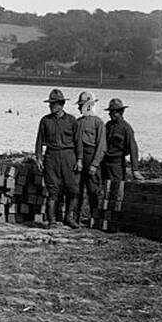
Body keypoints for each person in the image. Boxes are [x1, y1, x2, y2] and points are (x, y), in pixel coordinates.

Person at [35, 88, 79, 229]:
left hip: (69, 157)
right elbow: (39, 141)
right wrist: (39, 158)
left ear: (61, 104)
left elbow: (78, 142)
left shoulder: (72, 120)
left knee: (72, 189)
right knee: (52, 190)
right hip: (51, 157)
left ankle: (69, 217)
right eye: (50, 103)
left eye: (53, 103)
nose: (50, 106)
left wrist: (79, 160)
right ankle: (52, 220)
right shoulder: (45, 121)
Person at [102, 97, 142, 216]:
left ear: (120, 112)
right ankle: (105, 217)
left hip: (117, 165)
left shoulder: (126, 128)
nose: (110, 114)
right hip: (105, 163)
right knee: (105, 191)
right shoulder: (108, 125)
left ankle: (115, 218)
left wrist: (135, 170)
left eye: (113, 111)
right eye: (110, 111)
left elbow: (133, 149)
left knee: (117, 191)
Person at [72, 91, 106, 229]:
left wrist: (95, 164)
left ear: (89, 106)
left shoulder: (99, 123)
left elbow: (102, 146)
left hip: (92, 158)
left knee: (93, 191)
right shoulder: (77, 122)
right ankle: (75, 218)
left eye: (81, 105)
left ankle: (95, 218)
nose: (79, 108)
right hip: (79, 160)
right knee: (76, 191)